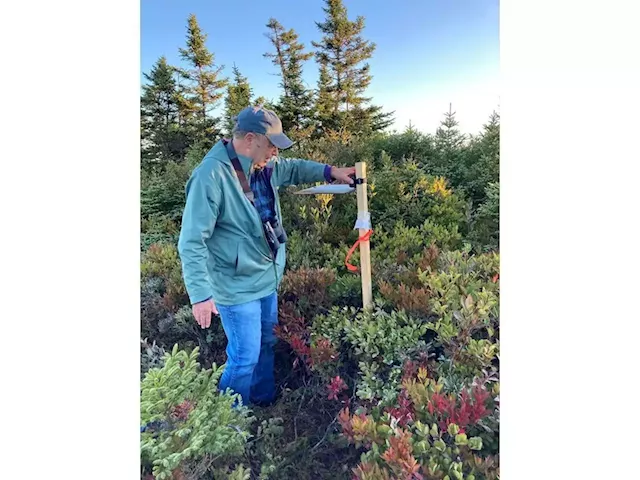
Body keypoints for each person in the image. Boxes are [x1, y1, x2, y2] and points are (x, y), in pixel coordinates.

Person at [177, 105, 355, 406]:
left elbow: (294, 168)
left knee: (266, 345)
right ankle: (228, 423)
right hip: (235, 286)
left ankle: (262, 404)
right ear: (250, 139)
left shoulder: (262, 164)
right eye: (271, 144)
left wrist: (331, 171)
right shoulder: (210, 176)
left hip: (266, 278)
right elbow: (192, 241)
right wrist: (200, 294)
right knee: (244, 358)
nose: (275, 152)